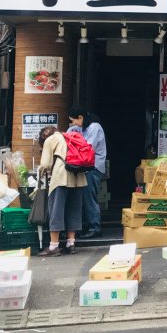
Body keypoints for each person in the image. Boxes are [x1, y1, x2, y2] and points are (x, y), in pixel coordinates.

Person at [37, 125, 87, 256]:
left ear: (44, 136)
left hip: (61, 177)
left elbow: (45, 164)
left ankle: (53, 246)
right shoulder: (69, 137)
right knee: (74, 209)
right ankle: (71, 243)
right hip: (78, 176)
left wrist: (41, 172)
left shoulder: (50, 140)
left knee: (56, 209)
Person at [68, 106, 106, 239]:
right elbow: (68, 135)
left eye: (74, 121)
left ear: (81, 117)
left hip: (93, 168)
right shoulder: (80, 127)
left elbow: (87, 148)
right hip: (84, 168)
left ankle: (95, 227)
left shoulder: (95, 127)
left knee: (89, 198)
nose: (73, 124)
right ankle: (86, 226)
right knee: (83, 198)